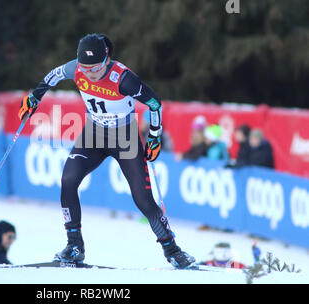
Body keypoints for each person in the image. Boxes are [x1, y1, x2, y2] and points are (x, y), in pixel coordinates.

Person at [17, 33, 195, 269]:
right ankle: (74, 246)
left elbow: (154, 102)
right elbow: (52, 76)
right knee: (68, 180)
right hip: (94, 133)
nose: (89, 73)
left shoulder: (123, 79)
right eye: (84, 67)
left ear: (107, 59)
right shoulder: (76, 69)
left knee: (143, 200)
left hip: (125, 136)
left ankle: (173, 250)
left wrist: (154, 136)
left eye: (96, 67)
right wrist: (34, 98)